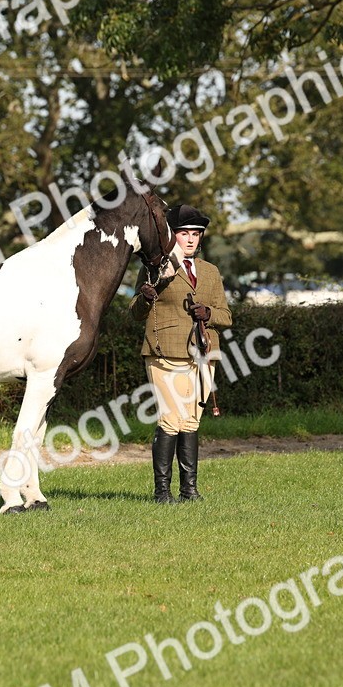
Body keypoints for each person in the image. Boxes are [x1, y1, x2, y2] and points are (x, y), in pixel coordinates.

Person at [130, 204, 232, 504]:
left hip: (204, 352)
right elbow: (134, 313)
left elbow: (227, 316)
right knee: (170, 420)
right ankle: (162, 492)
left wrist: (209, 312)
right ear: (172, 236)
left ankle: (189, 490)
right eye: (184, 233)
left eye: (196, 234)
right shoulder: (155, 267)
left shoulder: (211, 272)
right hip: (165, 351)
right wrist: (146, 299)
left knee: (190, 422)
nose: (191, 240)